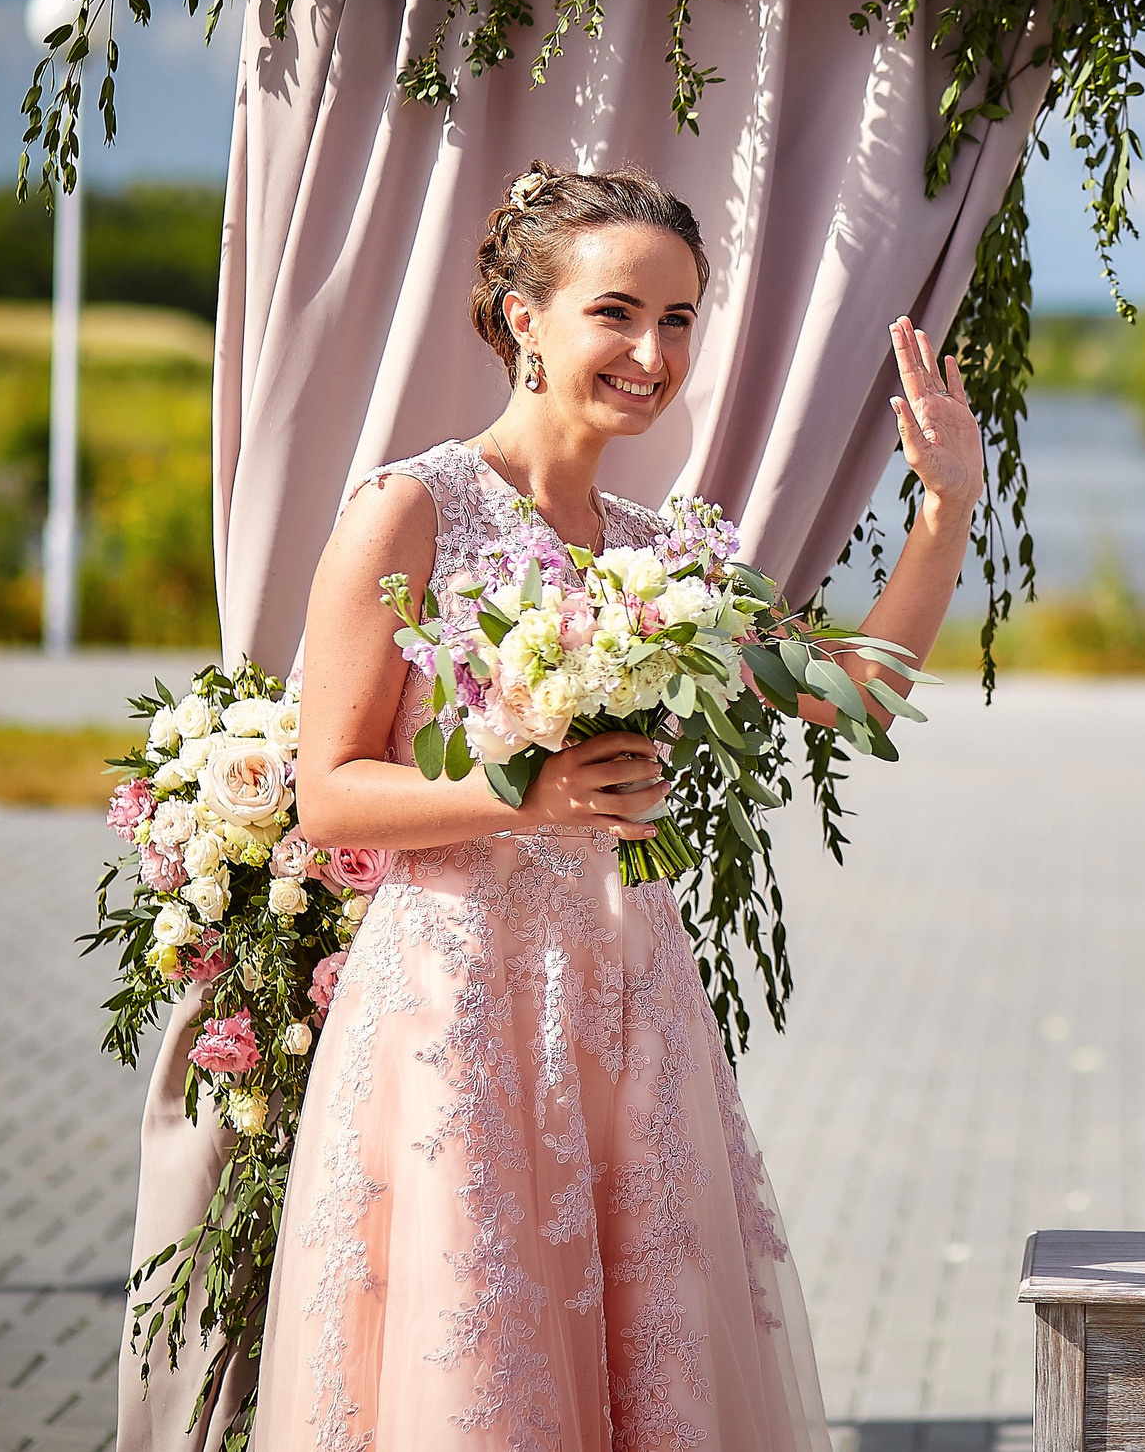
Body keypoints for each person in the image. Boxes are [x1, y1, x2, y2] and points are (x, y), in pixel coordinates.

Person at [255, 162, 984, 1450]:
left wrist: (946, 508)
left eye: (679, 319)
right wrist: (520, 795)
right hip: (460, 1000)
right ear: (523, 319)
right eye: (618, 313)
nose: (654, 353)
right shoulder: (408, 510)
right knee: (478, 1362)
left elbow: (856, 696)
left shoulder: (659, 553)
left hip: (627, 993)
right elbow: (330, 792)